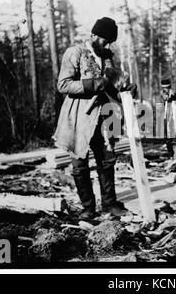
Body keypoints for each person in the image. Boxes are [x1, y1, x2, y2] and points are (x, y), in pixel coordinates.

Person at [53, 17, 137, 220]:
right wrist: (91, 85)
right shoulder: (75, 53)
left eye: (109, 42)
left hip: (104, 114)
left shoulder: (107, 57)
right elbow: (63, 85)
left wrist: (123, 93)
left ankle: (109, 204)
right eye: (104, 40)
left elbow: (110, 85)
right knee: (80, 163)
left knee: (107, 160)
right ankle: (88, 208)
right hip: (79, 116)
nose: (106, 45)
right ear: (93, 35)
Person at [159, 74, 176, 157]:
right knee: (167, 138)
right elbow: (164, 99)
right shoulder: (162, 93)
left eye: (167, 87)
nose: (166, 89)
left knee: (175, 136)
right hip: (166, 116)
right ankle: (171, 155)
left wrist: (175, 97)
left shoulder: (172, 91)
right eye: (164, 88)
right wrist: (169, 98)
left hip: (174, 116)